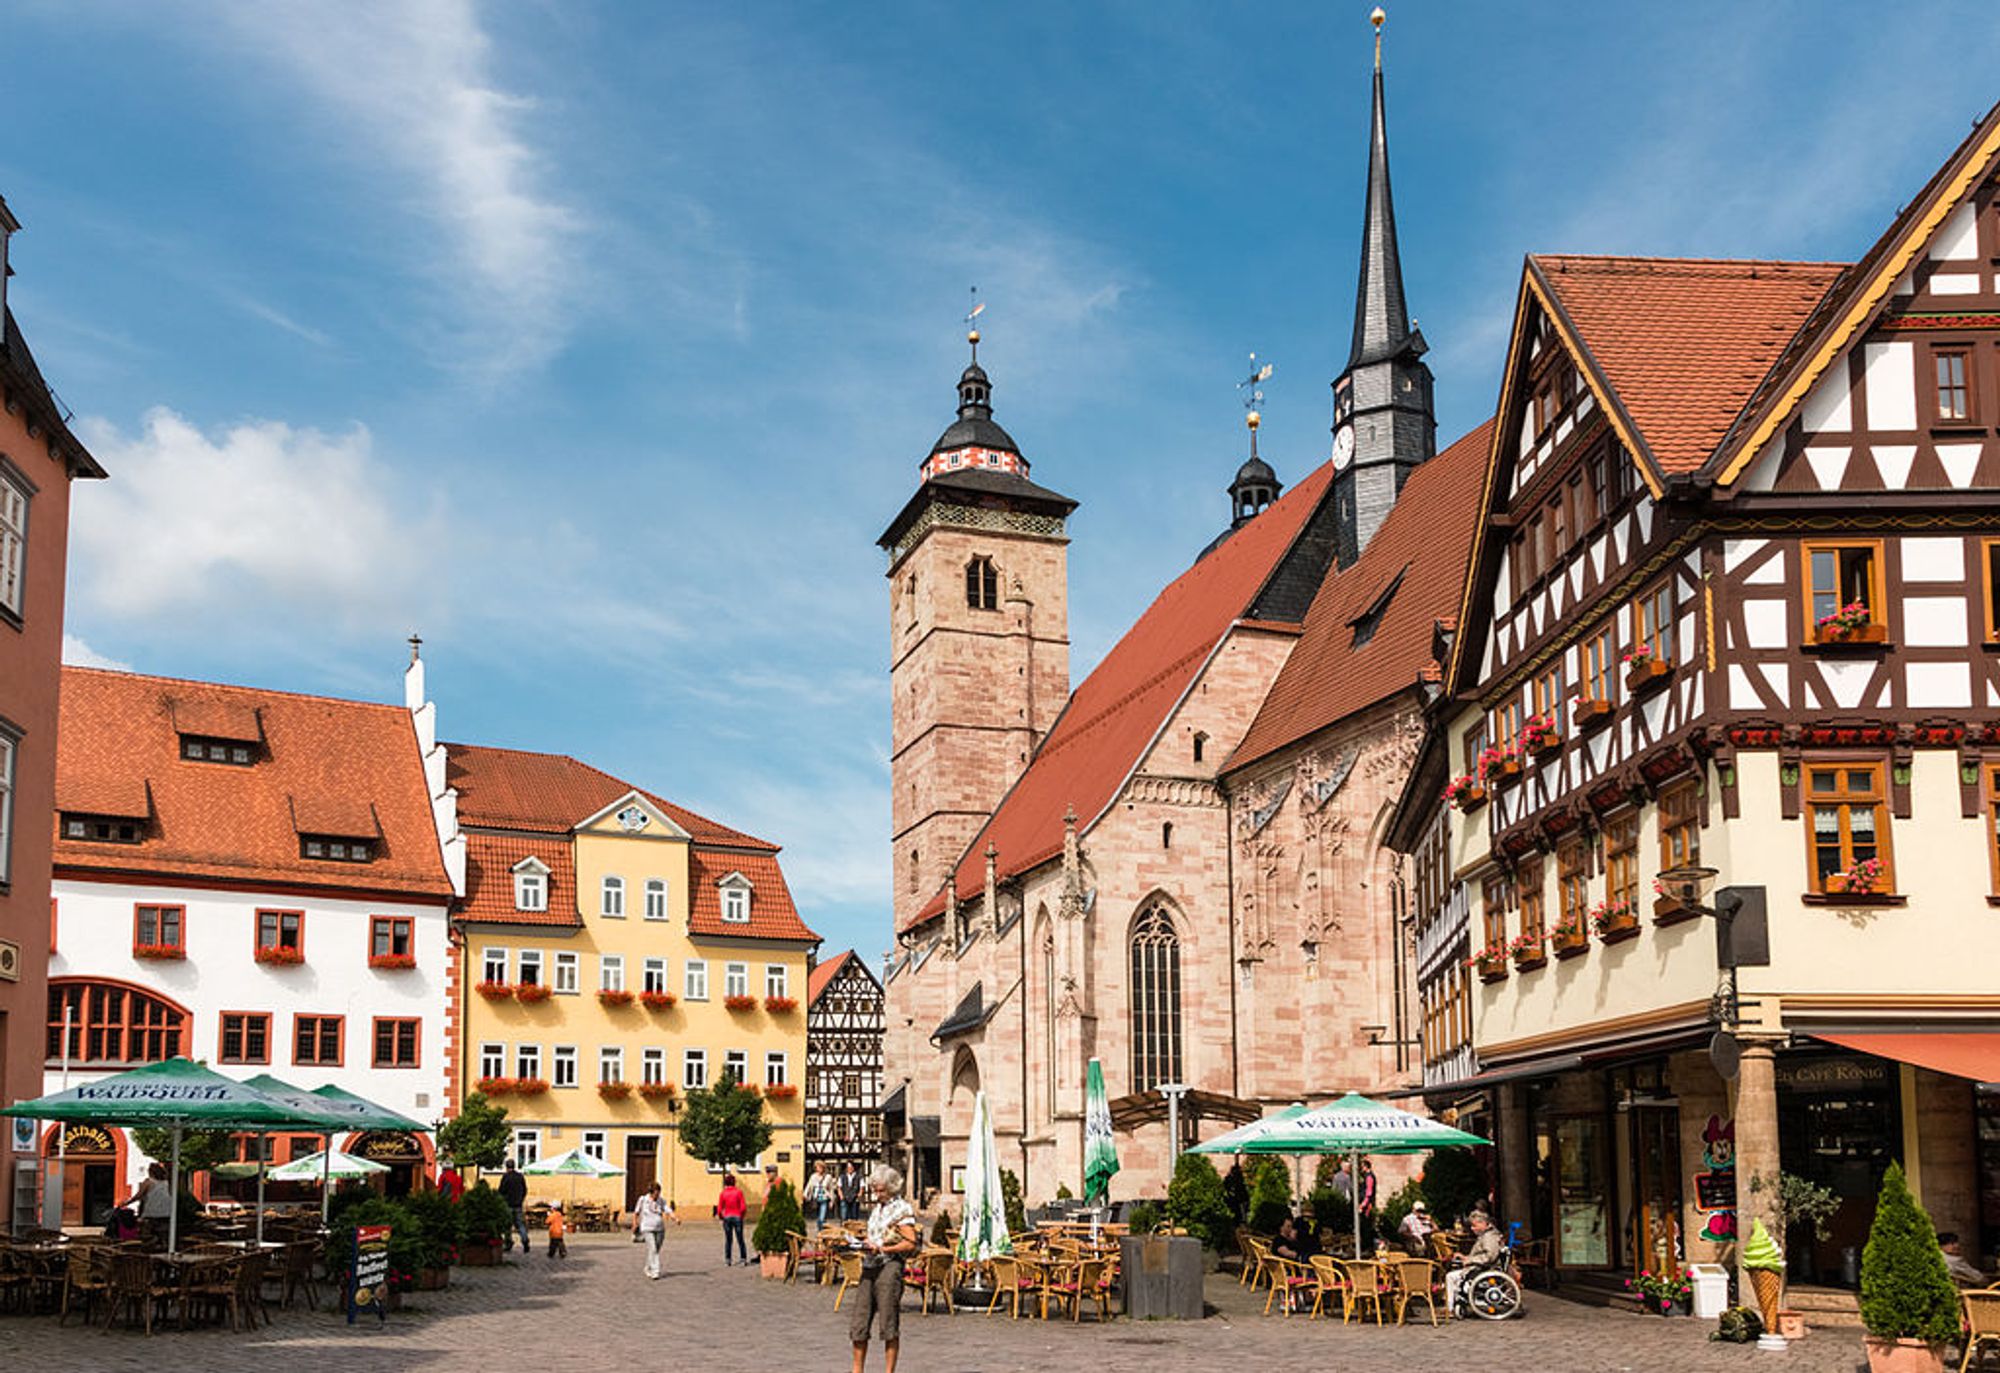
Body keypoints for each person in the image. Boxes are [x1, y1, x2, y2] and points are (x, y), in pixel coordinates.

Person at [849, 1164, 919, 1373]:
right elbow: (875, 1235)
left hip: (889, 1266)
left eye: (881, 1190)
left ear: (891, 1188)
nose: (877, 1193)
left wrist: (883, 1248)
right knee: (859, 1323)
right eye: (875, 1189)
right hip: (869, 1265)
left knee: (888, 1322)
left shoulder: (902, 1209)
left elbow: (910, 1243)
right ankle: (857, 1370)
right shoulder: (877, 1209)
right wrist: (862, 1242)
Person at [1444, 1210, 1505, 1309]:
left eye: (1474, 1226)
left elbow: (1489, 1257)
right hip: (1481, 1268)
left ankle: (1450, 1308)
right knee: (1453, 1274)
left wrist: (1469, 1260)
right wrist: (1466, 1257)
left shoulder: (1489, 1237)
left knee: (1451, 1277)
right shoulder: (1487, 1235)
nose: (1472, 1228)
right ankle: (1453, 1304)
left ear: (1483, 1223)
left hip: (1484, 1270)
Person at [633, 1181, 679, 1279]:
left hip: (660, 1229)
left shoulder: (661, 1200)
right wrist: (635, 1223)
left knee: (655, 1250)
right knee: (653, 1248)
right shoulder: (643, 1200)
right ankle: (655, 1271)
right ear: (651, 1192)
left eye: (658, 1193)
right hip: (647, 1228)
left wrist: (675, 1218)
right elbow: (636, 1212)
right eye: (656, 1194)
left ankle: (647, 1267)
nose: (657, 1196)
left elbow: (667, 1209)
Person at [124, 1162, 173, 1247]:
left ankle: (149, 1247)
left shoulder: (148, 1182)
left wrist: (127, 1203)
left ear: (151, 1172)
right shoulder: (166, 1183)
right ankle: (163, 1246)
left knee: (146, 1233)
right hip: (166, 1212)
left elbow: (139, 1195)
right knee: (163, 1235)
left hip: (152, 1212)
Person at [498, 1158, 532, 1254]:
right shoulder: (520, 1176)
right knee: (520, 1225)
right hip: (518, 1204)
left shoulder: (506, 1177)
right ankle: (525, 1241)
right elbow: (525, 1189)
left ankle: (508, 1243)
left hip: (508, 1205)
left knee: (507, 1225)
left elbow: (501, 1191)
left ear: (506, 1167)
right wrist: (521, 1199)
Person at [717, 1172, 750, 1266]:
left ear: (725, 1183)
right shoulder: (739, 1192)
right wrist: (741, 1216)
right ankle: (743, 1259)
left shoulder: (723, 1193)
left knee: (728, 1239)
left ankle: (728, 1259)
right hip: (737, 1217)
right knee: (740, 1239)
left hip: (727, 1217)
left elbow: (720, 1208)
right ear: (734, 1182)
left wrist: (721, 1217)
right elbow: (743, 1207)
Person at [805, 1162, 834, 1226]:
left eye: (820, 1167)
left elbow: (831, 1189)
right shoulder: (813, 1176)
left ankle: (821, 1231)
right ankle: (820, 1231)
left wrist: (832, 1200)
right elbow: (809, 1186)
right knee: (818, 1218)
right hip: (816, 1199)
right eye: (817, 1167)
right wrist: (805, 1194)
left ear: (823, 1168)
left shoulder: (828, 1177)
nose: (818, 1169)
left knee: (822, 1218)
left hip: (824, 1199)